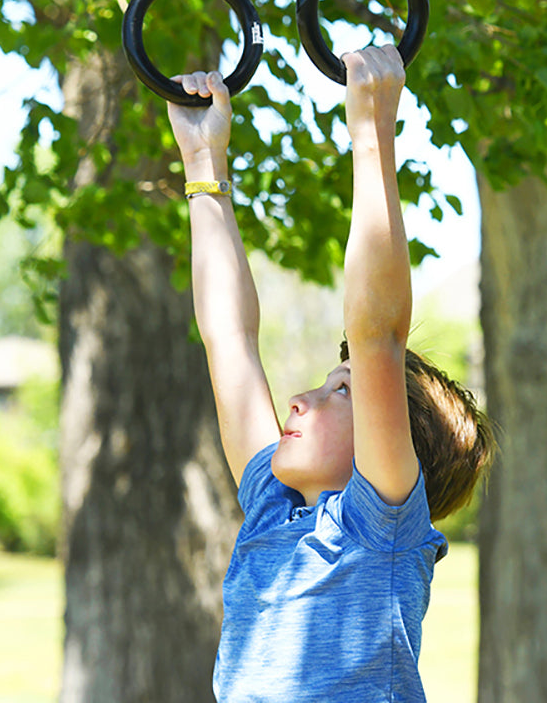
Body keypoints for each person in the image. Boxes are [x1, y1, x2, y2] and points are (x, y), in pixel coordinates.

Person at [167, 46, 495, 703]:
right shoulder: (273, 515)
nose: (299, 400)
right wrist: (203, 167)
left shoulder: (381, 528)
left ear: (392, 437)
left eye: (341, 390)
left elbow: (378, 337)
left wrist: (372, 133)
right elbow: (228, 338)